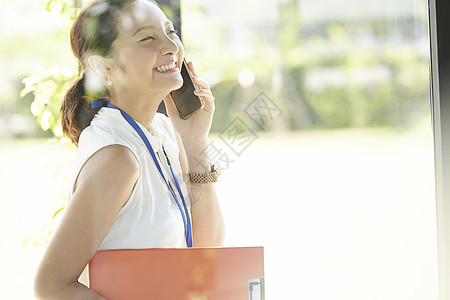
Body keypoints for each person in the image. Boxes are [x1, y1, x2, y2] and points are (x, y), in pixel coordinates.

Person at [34, 0, 225, 298]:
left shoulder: (163, 132)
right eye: (147, 37)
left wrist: (195, 142)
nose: (171, 46)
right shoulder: (118, 158)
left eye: (170, 31)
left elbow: (205, 251)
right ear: (103, 63)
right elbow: (51, 285)